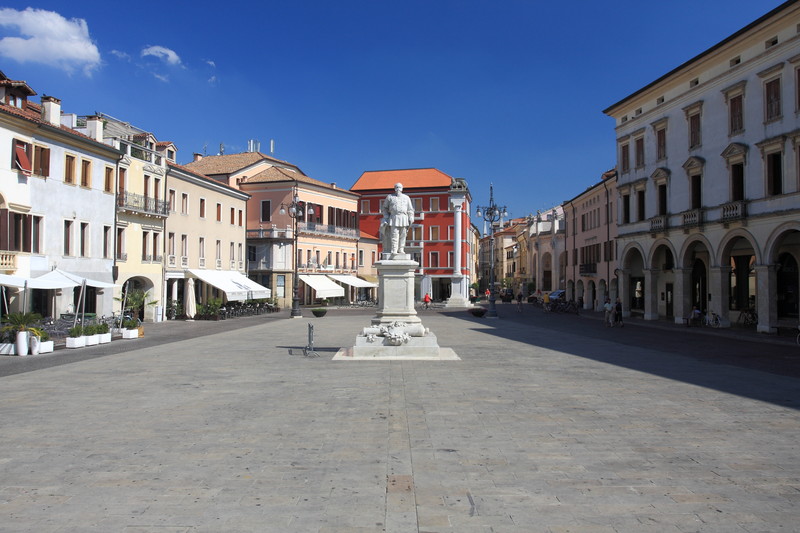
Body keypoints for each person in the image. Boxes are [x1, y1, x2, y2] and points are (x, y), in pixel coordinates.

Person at [380, 183, 415, 256]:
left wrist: (411, 216)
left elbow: (410, 209)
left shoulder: (406, 198)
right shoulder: (389, 197)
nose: (398, 189)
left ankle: (401, 249)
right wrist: (386, 216)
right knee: (394, 234)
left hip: (404, 217)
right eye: (396, 187)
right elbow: (384, 208)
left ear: (402, 189)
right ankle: (394, 249)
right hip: (394, 217)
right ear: (394, 188)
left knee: (403, 235)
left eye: (399, 187)